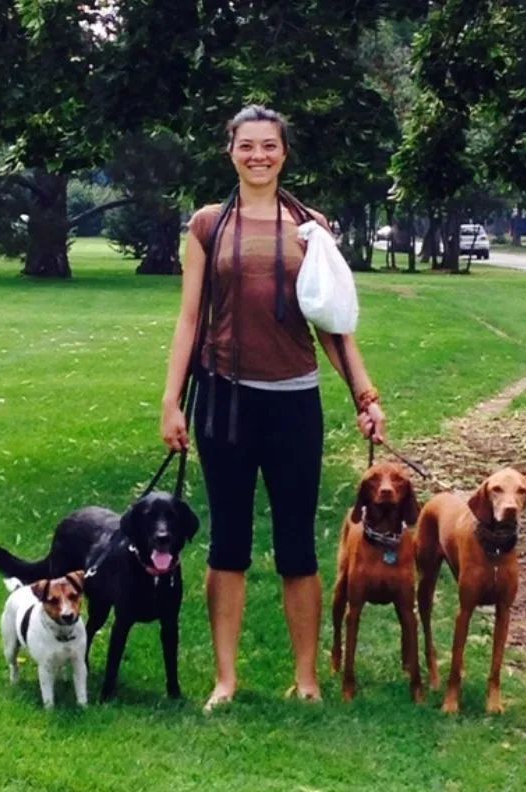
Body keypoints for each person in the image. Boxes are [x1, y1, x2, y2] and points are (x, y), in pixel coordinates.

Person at [161, 105, 385, 711]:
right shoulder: (209, 225)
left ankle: (307, 678)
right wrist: (170, 401)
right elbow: (189, 319)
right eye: (246, 146)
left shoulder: (311, 226)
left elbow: (335, 327)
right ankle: (226, 680)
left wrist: (364, 395)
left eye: (269, 146)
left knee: (297, 545)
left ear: (284, 153)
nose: (258, 156)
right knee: (227, 542)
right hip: (223, 403)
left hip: (294, 404)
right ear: (230, 151)